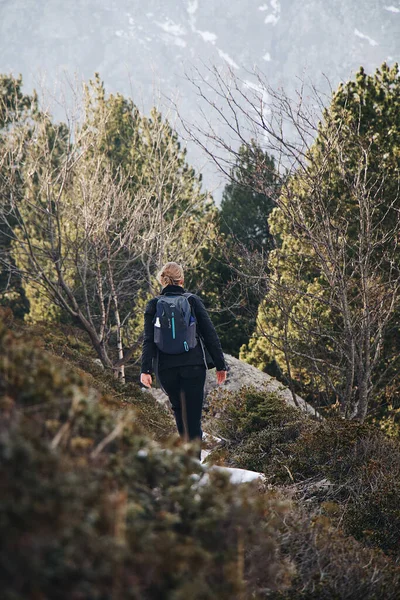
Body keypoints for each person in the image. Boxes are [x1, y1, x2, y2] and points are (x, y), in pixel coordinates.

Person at [140, 262, 227, 457]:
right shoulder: (192, 301)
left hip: (166, 368)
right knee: (193, 416)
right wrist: (221, 365)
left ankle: (188, 459)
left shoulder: (154, 304)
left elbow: (149, 340)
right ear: (182, 280)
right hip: (193, 365)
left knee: (179, 410)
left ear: (163, 281)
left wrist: (145, 370)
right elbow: (210, 333)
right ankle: (194, 466)